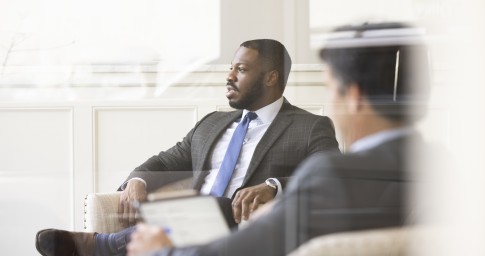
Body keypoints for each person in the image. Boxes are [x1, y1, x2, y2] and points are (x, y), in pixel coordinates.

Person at [123, 21, 435, 256]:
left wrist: (162, 250)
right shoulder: (443, 170)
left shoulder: (331, 173)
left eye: (330, 89)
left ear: (352, 98)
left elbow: (242, 250)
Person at [35, 39, 340, 256]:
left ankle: (102, 246)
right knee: (202, 211)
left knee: (220, 204)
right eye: (231, 67)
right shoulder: (212, 123)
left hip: (249, 227)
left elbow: (330, 177)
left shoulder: (309, 126)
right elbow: (166, 162)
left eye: (242, 69)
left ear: (271, 77)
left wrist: (273, 187)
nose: (230, 76)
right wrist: (138, 181)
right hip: (191, 223)